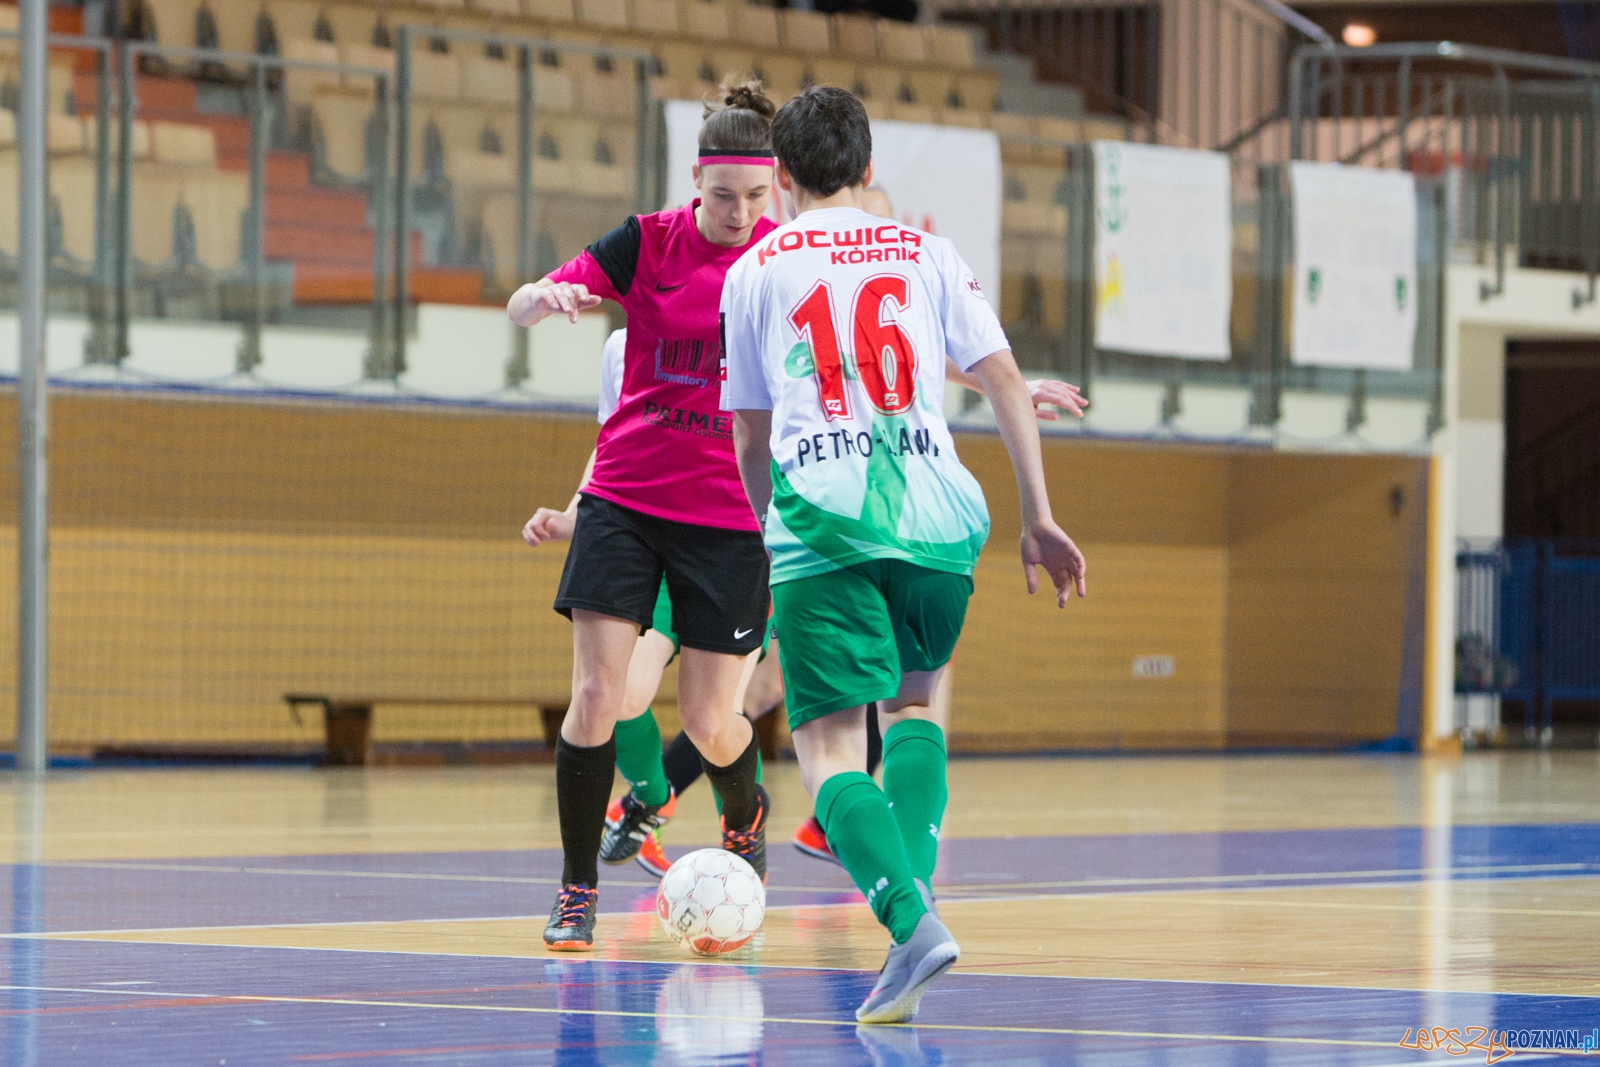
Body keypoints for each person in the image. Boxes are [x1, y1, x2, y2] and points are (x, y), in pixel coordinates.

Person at [720, 87, 1087, 1022]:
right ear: (870, 166)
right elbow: (1006, 381)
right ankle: (913, 914)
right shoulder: (930, 253)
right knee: (915, 709)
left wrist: (766, 539)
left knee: (827, 749)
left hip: (825, 525)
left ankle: (908, 919)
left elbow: (751, 434)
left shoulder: (756, 270)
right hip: (940, 523)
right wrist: (1039, 515)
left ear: (782, 177)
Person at [508, 78, 781, 952]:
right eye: (724, 195)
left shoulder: (782, 261)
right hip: (624, 500)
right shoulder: (647, 242)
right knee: (596, 693)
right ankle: (576, 888)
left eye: (756, 196)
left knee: (708, 722)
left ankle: (745, 812)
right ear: (695, 181)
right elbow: (525, 301)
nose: (739, 214)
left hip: (729, 514)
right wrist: (542, 298)